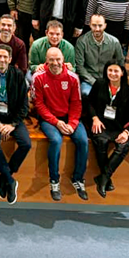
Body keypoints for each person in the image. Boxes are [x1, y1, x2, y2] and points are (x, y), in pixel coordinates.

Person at [33, 46, 89, 200]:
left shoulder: (72, 77)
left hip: (69, 117)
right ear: (46, 60)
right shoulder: (38, 77)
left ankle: (77, 178)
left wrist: (72, 123)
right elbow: (39, 105)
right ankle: (54, 180)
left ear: (63, 60)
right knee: (56, 140)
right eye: (51, 60)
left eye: (58, 59)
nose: (55, 63)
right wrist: (56, 122)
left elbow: (76, 103)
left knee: (83, 141)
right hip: (49, 119)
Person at [0, 43, 30, 204]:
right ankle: (10, 180)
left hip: (13, 118)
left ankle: (5, 174)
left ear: (10, 59)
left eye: (5, 57)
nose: (2, 59)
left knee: (26, 143)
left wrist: (13, 124)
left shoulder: (18, 75)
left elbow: (24, 105)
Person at [85, 60, 129, 198]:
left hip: (119, 126)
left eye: (116, 71)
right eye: (110, 71)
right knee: (100, 140)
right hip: (101, 123)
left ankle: (104, 177)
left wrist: (126, 132)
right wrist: (94, 118)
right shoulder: (99, 84)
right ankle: (105, 178)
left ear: (122, 73)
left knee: (124, 145)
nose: (113, 74)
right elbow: (89, 103)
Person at [74, 13, 124, 96]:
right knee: (85, 93)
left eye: (100, 25)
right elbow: (80, 67)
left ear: (105, 26)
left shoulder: (114, 42)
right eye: (94, 25)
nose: (97, 29)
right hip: (89, 80)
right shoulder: (81, 42)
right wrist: (94, 82)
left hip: (109, 79)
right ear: (89, 25)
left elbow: (120, 63)